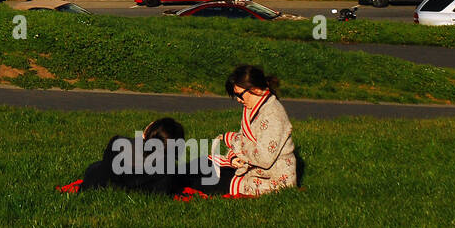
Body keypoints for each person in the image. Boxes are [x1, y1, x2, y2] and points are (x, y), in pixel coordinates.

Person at [212, 64, 297, 198]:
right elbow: (243, 138)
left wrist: (233, 140)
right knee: (202, 165)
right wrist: (233, 156)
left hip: (272, 180)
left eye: (239, 95)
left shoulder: (273, 114)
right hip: (250, 169)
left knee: (206, 181)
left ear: (255, 89)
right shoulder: (251, 108)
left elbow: (263, 158)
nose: (238, 100)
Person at [60, 117, 192, 195]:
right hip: (134, 180)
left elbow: (104, 173)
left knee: (95, 166)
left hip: (103, 180)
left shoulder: (118, 144)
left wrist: (143, 138)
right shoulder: (167, 172)